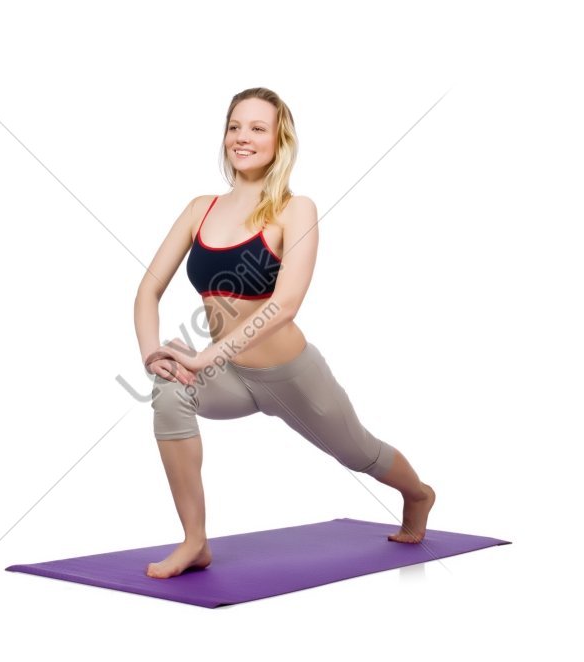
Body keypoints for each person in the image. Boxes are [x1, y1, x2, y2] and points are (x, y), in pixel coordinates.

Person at [133, 87, 435, 580]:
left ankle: (419, 493)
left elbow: (285, 303)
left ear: (280, 140)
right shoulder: (198, 209)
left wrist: (206, 355)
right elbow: (148, 291)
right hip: (228, 376)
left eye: (257, 127)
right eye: (234, 126)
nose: (242, 137)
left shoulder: (295, 210)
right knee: (168, 391)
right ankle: (195, 541)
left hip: (290, 374)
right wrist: (152, 353)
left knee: (358, 452)